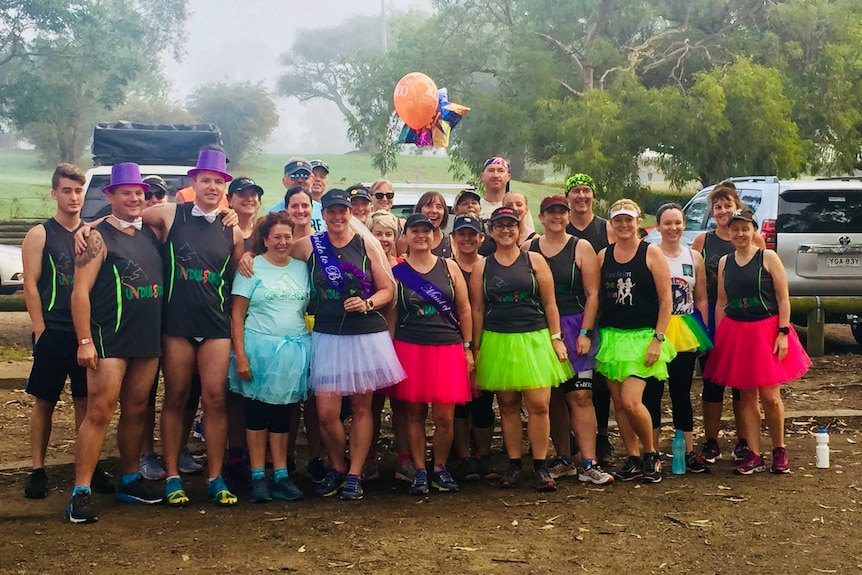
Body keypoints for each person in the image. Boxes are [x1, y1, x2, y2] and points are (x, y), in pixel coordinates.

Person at [136, 149, 246, 506]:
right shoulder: (172, 213)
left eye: (218, 181)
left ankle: (215, 477)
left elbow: (233, 284)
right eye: (206, 180)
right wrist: (88, 228)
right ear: (193, 182)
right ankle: (171, 476)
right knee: (176, 398)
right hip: (177, 325)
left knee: (215, 400)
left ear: (224, 187)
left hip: (215, 325)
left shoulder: (233, 230)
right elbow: (129, 216)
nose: (212, 187)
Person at [67, 163, 165, 523]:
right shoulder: (95, 237)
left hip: (147, 339)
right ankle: (81, 490)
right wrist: (85, 341)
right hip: (110, 338)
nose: (135, 197)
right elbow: (80, 293)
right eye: (126, 192)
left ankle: (129, 479)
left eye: (139, 192)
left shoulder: (149, 232)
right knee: (100, 411)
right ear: (109, 195)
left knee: (138, 409)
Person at [292, 188, 406, 500]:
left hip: (365, 333)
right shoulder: (310, 246)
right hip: (327, 333)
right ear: (323, 214)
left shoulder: (365, 244)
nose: (338, 216)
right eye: (332, 211)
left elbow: (388, 289)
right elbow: (276, 256)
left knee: (361, 406)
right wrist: (248, 257)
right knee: (326, 411)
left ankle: (354, 473)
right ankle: (338, 466)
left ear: (350, 214)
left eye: (343, 211)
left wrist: (367, 303)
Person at [21, 164, 114, 499]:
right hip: (54, 331)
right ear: (54, 194)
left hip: (84, 332)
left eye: (78, 191)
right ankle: (37, 468)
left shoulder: (92, 234)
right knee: (44, 401)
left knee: (85, 403)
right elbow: (30, 285)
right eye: (67, 191)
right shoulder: (40, 234)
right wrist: (39, 329)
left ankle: (86, 467)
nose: (73, 197)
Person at [470, 207, 572, 492]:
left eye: (511, 225)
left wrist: (556, 337)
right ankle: (514, 464)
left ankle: (540, 465)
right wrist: (475, 347)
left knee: (539, 404)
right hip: (498, 338)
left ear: (519, 228)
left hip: (534, 336)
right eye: (500, 225)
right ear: (491, 231)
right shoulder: (483, 265)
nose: (505, 230)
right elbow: (477, 308)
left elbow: (551, 303)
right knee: (508, 405)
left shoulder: (534, 260)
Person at [703, 207, 811, 475]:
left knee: (770, 395)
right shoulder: (726, 262)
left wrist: (783, 332)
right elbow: (722, 302)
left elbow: (783, 298)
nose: (740, 233)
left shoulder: (767, 257)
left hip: (766, 329)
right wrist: (719, 337)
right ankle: (753, 452)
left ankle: (779, 448)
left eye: (745, 228)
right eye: (735, 229)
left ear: (753, 230)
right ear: (729, 232)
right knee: (747, 395)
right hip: (736, 330)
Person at [527, 196, 613, 485]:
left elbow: (593, 294)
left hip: (576, 325)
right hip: (542, 329)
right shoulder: (530, 248)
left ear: (567, 217)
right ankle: (564, 458)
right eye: (551, 212)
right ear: (541, 216)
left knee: (580, 395)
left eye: (561, 213)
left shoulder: (581, 247)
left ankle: (588, 461)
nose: (557, 217)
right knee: (553, 398)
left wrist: (586, 332)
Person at [229, 212, 311, 502]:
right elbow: (237, 315)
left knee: (283, 414)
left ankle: (281, 475)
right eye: (276, 236)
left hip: (293, 350)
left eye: (287, 236)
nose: (282, 242)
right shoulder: (251, 268)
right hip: (259, 348)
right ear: (265, 238)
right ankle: (257, 477)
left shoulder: (302, 268)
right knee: (257, 413)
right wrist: (240, 355)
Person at [391, 214, 473, 495]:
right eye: (415, 231)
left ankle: (439, 467)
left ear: (434, 234)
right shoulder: (399, 271)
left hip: (447, 347)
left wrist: (467, 347)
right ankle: (419, 470)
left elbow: (464, 308)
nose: (421, 236)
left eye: (426, 230)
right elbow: (393, 313)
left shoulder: (448, 266)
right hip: (410, 346)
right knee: (414, 413)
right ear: (406, 235)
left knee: (445, 417)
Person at [596, 199, 676, 484]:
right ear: (611, 224)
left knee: (632, 401)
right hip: (613, 336)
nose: (624, 225)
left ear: (639, 221)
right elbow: (596, 295)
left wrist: (658, 338)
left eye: (629, 219)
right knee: (618, 402)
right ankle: (632, 456)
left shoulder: (651, 254)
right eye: (618, 220)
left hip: (642, 336)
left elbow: (667, 300)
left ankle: (651, 453)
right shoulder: (603, 255)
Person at [691, 181, 765, 463]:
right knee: (711, 380)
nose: (723, 211)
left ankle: (744, 440)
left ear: (738, 208)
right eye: (718, 206)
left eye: (728, 205)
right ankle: (710, 440)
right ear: (712, 211)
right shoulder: (702, 242)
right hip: (710, 315)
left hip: (744, 317)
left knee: (742, 383)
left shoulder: (752, 239)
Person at [653, 203, 712, 473]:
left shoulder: (693, 256)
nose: (673, 228)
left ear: (684, 224)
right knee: (652, 392)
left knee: (681, 391)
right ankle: (650, 451)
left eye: (677, 222)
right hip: (657, 329)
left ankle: (687, 451)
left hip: (686, 329)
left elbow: (700, 297)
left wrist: (704, 332)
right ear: (658, 226)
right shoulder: (651, 254)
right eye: (667, 223)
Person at [564, 172, 615, 467]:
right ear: (568, 197)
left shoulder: (605, 229)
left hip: (604, 311)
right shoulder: (562, 225)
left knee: (601, 381)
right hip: (571, 314)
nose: (581, 196)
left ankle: (602, 437)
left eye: (586, 191)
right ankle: (573, 437)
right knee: (573, 380)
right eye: (576, 191)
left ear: (593, 196)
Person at [366, 210, 414, 481]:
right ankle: (368, 459)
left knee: (402, 405)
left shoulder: (405, 267)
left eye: (388, 234)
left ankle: (405, 459)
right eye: (377, 233)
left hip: (403, 344)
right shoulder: (362, 265)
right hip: (370, 344)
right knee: (370, 406)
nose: (383, 239)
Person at [450, 214, 499, 481]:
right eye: (462, 234)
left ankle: (484, 455)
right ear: (454, 237)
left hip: (487, 338)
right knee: (459, 403)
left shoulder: (490, 265)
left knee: (482, 401)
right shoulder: (446, 266)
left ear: (481, 237)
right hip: (451, 340)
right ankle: (464, 457)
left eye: (472, 234)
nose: (467, 239)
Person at [268, 159, 324, 232]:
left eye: (305, 176)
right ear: (284, 180)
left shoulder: (323, 211)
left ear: (312, 180)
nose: (300, 180)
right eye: (294, 176)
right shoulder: (272, 213)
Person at [397, 191, 451, 257]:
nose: (434, 211)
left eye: (439, 207)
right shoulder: (405, 241)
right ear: (419, 210)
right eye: (428, 206)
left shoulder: (450, 242)